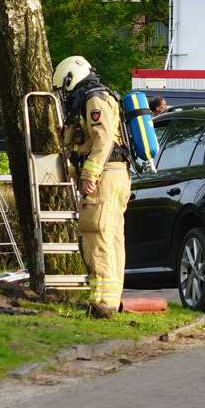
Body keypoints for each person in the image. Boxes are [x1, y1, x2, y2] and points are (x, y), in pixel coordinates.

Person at [53, 56, 131, 318]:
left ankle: (102, 303)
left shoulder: (93, 99)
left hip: (105, 176)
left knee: (96, 234)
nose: (65, 94)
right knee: (112, 238)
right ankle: (111, 298)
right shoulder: (93, 98)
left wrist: (90, 174)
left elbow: (103, 139)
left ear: (71, 77)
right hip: (115, 175)